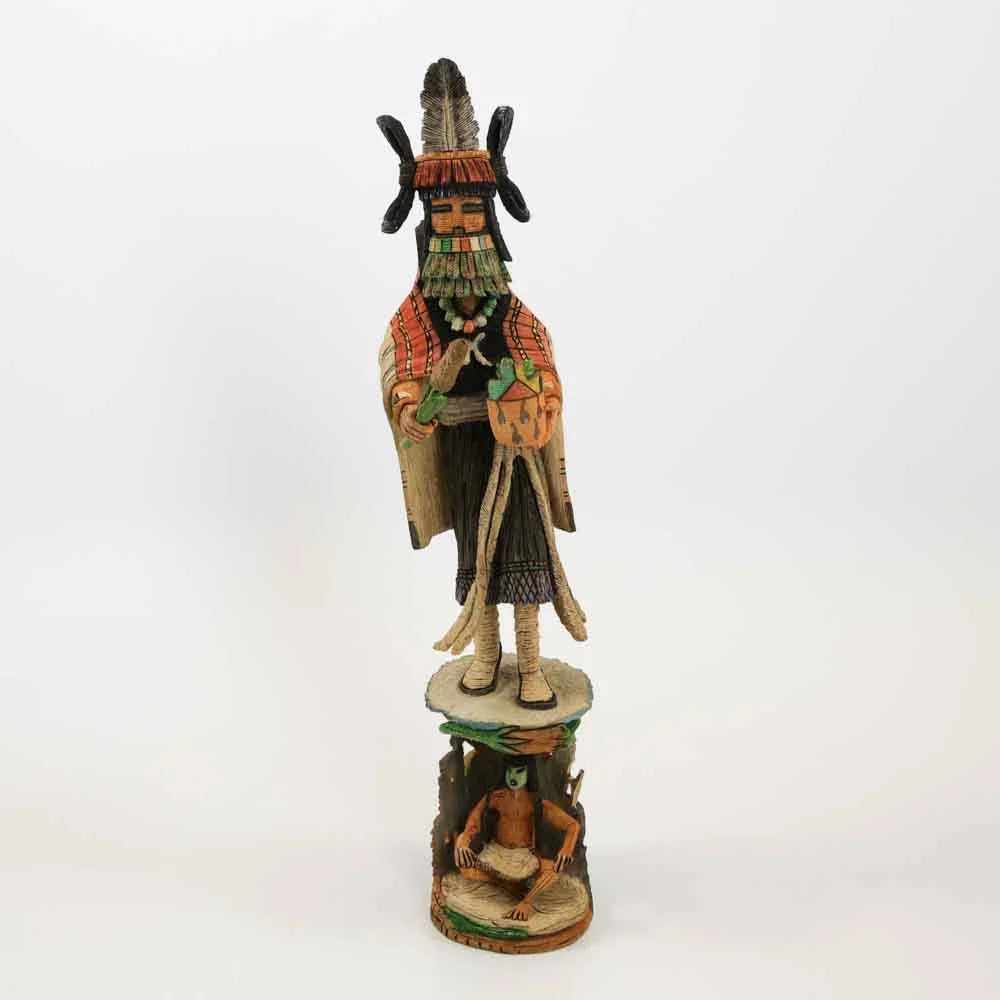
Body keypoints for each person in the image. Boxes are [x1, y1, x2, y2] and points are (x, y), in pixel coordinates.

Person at [377, 58, 586, 708]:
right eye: (445, 210)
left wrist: (538, 392)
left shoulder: (507, 307)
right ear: (426, 220)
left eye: (473, 207)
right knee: (477, 557)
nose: (461, 221)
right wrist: (413, 401)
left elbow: (535, 349)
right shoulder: (422, 311)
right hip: (466, 449)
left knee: (522, 555)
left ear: (492, 216)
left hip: (511, 448)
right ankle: (487, 653)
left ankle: (530, 663)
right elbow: (404, 363)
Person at [453, 757, 580, 921]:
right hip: (496, 854)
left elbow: (572, 825)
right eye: (510, 772)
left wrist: (567, 849)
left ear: (528, 774)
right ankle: (505, 884)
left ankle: (526, 901)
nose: (513, 777)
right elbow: (473, 822)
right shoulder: (495, 798)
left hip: (525, 857)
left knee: (554, 870)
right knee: (464, 866)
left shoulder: (536, 802)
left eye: (519, 772)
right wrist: (463, 840)